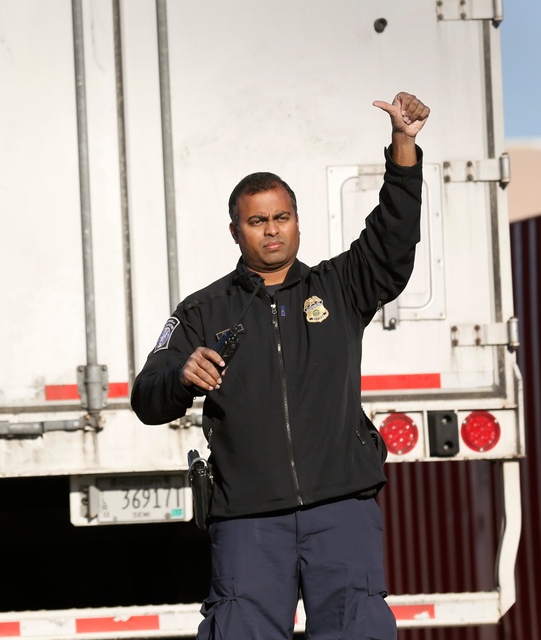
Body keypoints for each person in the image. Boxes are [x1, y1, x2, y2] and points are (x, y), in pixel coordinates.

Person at [131, 92, 430, 640]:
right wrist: (179, 377)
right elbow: (145, 396)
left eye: (282, 218)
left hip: (341, 511)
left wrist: (403, 147)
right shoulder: (202, 311)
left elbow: (392, 239)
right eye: (257, 221)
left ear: (297, 222)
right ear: (235, 231)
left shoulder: (340, 287)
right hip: (248, 521)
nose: (272, 230)